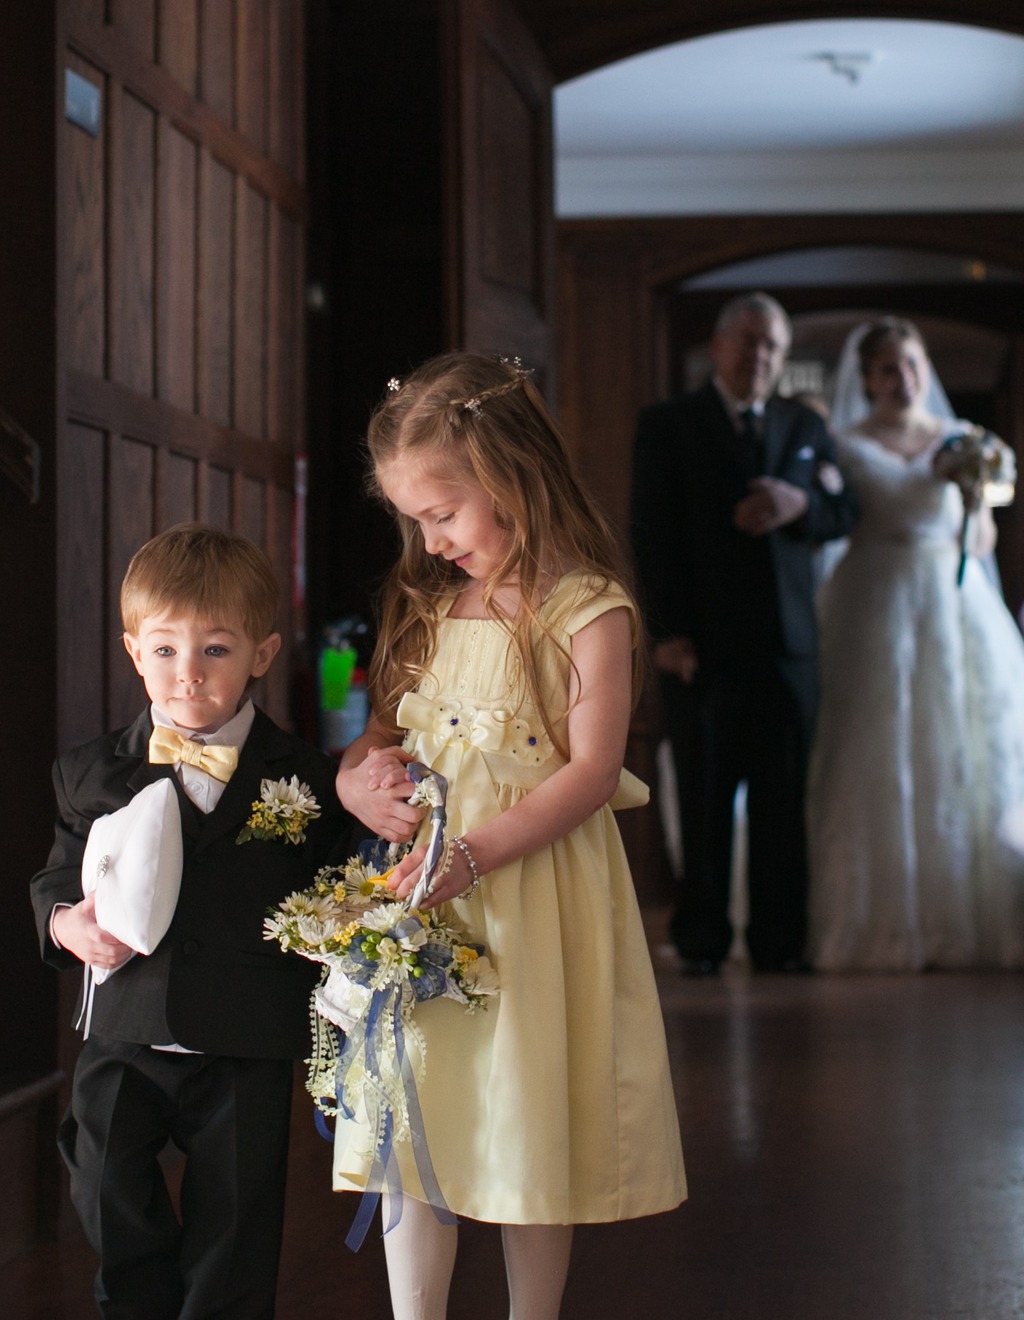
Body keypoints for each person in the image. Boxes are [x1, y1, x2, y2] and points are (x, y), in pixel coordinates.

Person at [335, 353, 686, 1320]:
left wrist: (476, 856)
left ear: (510, 475)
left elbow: (588, 772)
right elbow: (376, 739)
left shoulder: (587, 611)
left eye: (442, 513)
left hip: (531, 894)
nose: (429, 537)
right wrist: (355, 784)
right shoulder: (422, 605)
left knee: (527, 1113)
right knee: (419, 1111)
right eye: (413, 519)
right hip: (424, 896)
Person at [30, 523, 351, 1318]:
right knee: (102, 1182)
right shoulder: (91, 771)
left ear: (262, 655)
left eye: (215, 651)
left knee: (237, 1226)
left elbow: (333, 892)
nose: (188, 676)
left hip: (245, 1037)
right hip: (126, 1030)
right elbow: (56, 877)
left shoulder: (308, 779)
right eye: (166, 651)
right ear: (135, 651)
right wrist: (66, 922)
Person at [630, 291, 857, 976]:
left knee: (782, 805)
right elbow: (652, 534)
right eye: (750, 341)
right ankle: (701, 939)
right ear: (721, 348)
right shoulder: (669, 423)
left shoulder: (803, 423)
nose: (760, 355)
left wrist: (801, 503)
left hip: (790, 650)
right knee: (705, 798)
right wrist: (667, 632)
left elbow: (844, 510)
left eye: (773, 346)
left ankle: (779, 943)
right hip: (702, 650)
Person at [808, 318, 1024, 971]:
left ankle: (976, 913)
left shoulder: (963, 442)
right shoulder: (844, 445)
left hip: (952, 599)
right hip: (873, 596)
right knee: (873, 742)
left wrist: (970, 493)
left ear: (924, 369)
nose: (900, 379)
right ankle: (874, 917)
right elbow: (835, 525)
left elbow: (980, 540)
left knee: (962, 741)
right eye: (885, 370)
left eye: (909, 365)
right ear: (868, 380)